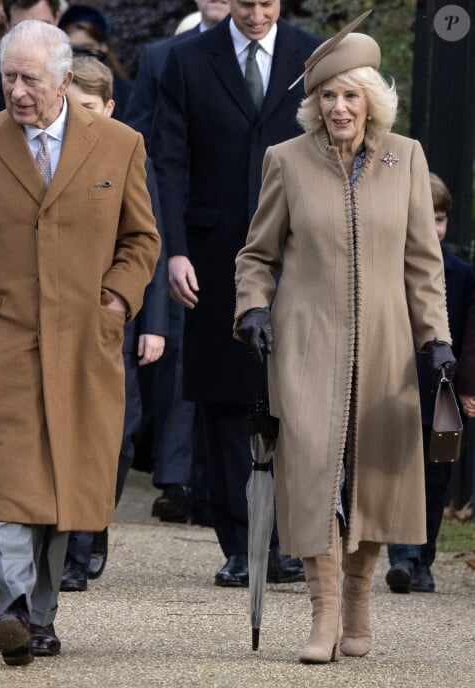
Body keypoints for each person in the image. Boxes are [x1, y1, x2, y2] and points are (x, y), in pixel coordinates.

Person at [0, 19, 160, 666]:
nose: (16, 91)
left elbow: (142, 241)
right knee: (5, 478)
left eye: (28, 79)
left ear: (62, 79)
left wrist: (117, 296)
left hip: (83, 338)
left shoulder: (119, 145)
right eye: (7, 78)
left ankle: (40, 615)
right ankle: (12, 606)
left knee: (59, 485)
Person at [233, 13, 455, 664]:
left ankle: (358, 604)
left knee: (371, 481)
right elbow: (256, 255)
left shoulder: (405, 158)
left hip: (386, 352)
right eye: (326, 95)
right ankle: (324, 614)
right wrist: (252, 307)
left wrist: (435, 336)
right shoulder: (287, 161)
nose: (337, 107)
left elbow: (424, 262)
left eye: (349, 95)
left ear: (371, 101)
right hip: (304, 349)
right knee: (313, 477)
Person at [149, 0, 320, 587]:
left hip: (298, 252)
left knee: (297, 400)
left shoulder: (311, 54)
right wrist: (173, 249)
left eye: (266, 3)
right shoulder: (188, 61)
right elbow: (168, 160)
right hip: (211, 254)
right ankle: (239, 544)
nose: (255, 14)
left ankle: (290, 541)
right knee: (224, 401)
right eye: (244, 3)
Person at [59, 55, 169, 592]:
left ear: (107, 107)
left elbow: (148, 235)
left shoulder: (126, 146)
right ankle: (72, 552)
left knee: (116, 436)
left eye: (86, 109)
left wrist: (147, 318)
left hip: (113, 314)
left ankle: (94, 522)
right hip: (60, 313)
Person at [124, 0, 231, 526]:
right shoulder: (160, 56)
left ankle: (214, 481)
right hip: (175, 214)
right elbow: (139, 144)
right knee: (178, 354)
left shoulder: (280, 55)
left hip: (237, 223)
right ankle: (175, 478)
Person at [386, 174, 474, 595]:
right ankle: (401, 556)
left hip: (442, 388)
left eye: (438, 219)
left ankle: (425, 557)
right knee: (395, 471)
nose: (431, 228)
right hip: (395, 384)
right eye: (422, 218)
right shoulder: (387, 267)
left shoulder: (461, 273)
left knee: (436, 477)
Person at [0, 0, 62, 112]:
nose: (34, 38)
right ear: (6, 21)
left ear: (57, 18)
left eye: (43, 26)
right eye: (22, 28)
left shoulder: (81, 68)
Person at [58, 4, 132, 122]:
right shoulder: (54, 87)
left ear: (103, 46)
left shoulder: (127, 93)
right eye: (73, 48)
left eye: (88, 47)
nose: (81, 54)